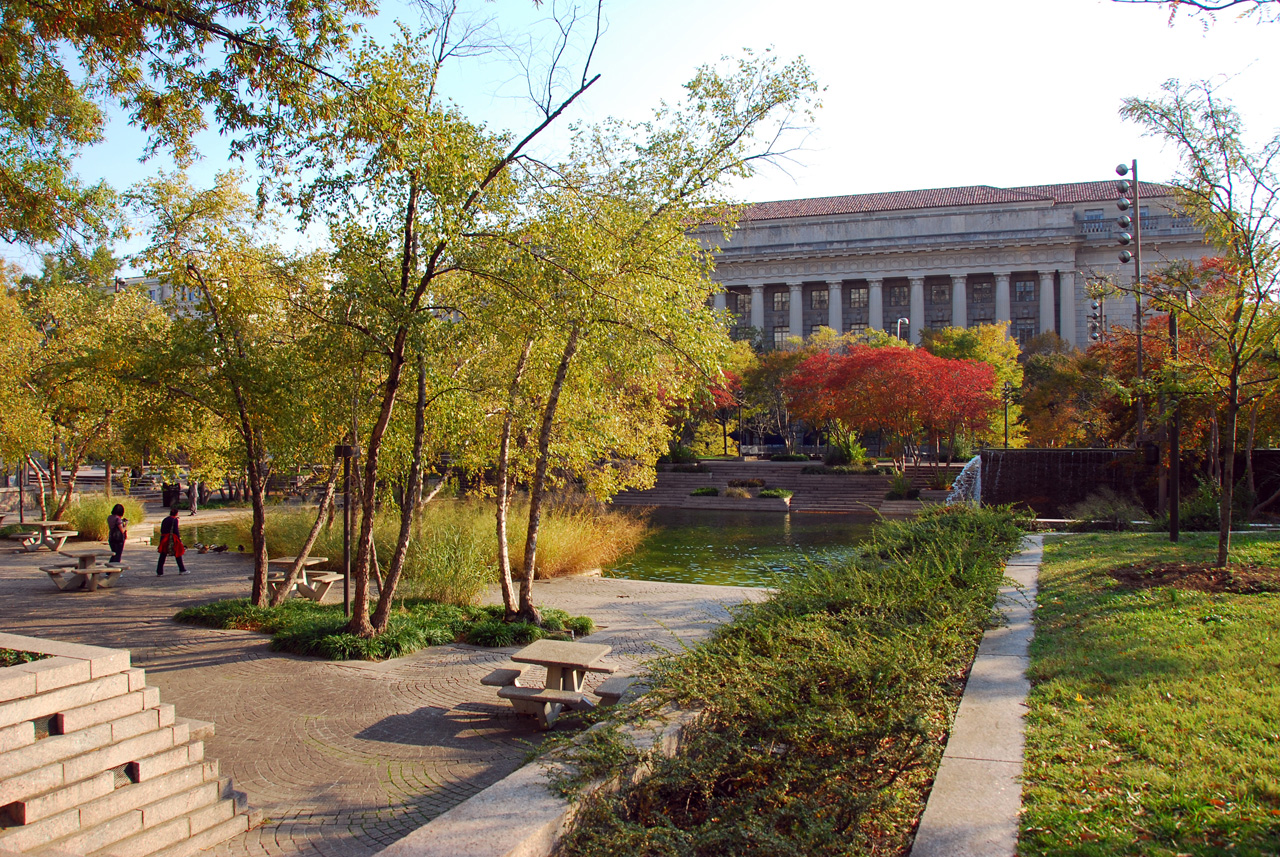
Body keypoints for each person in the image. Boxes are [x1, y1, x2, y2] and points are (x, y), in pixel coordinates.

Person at [156, 506, 189, 575]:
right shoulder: (175, 520)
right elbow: (176, 531)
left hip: (164, 538)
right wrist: (179, 539)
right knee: (178, 553)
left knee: (163, 555)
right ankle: (182, 569)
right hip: (171, 538)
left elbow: (162, 530)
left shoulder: (165, 519)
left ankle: (159, 571)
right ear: (176, 514)